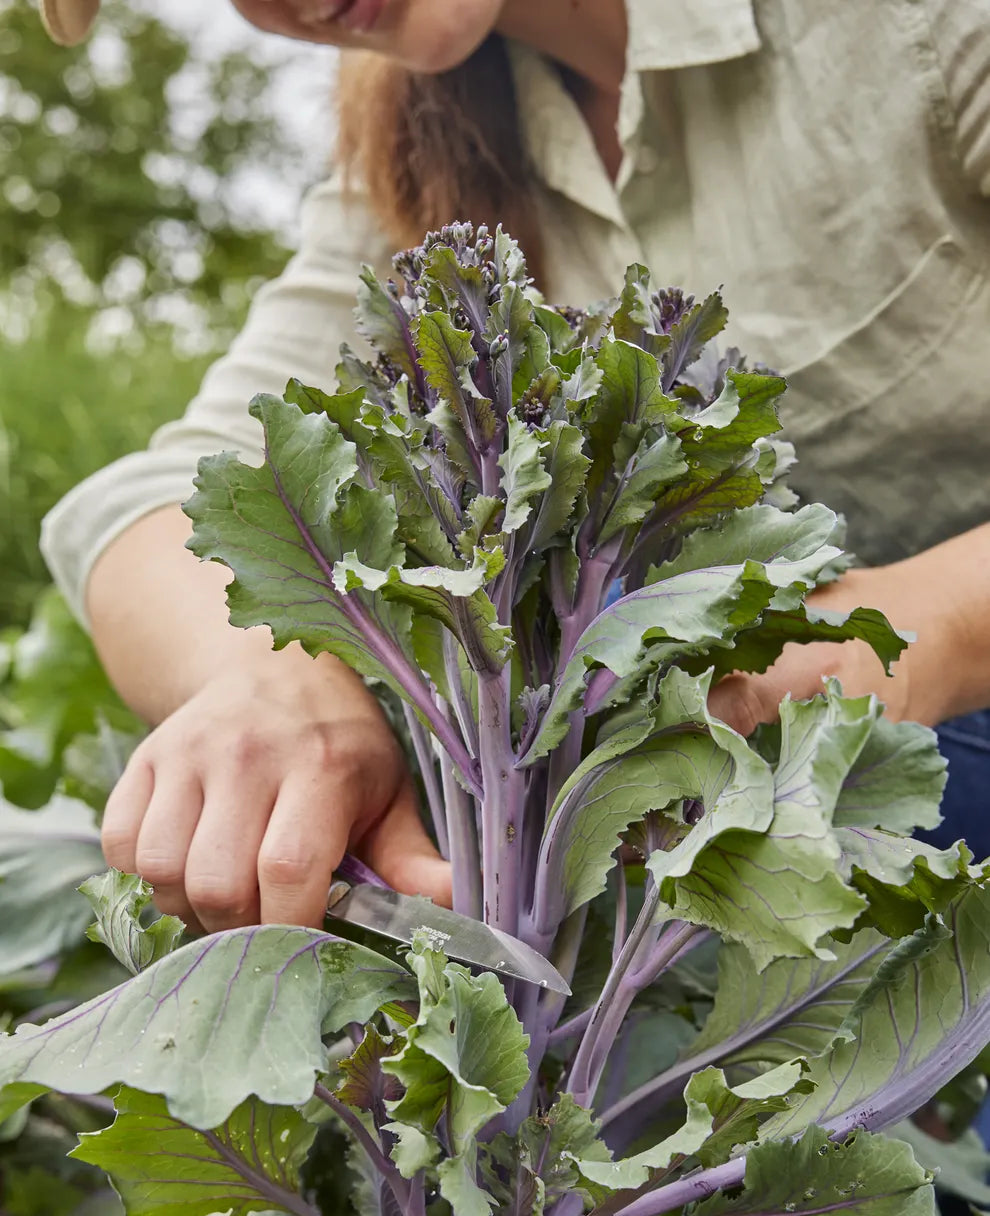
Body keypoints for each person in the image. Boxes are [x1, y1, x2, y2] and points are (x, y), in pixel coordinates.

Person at [37, 0, 990, 937]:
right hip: (773, 805)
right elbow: (143, 509)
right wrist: (271, 675)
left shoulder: (910, 32)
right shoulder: (423, 141)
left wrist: (896, 642)